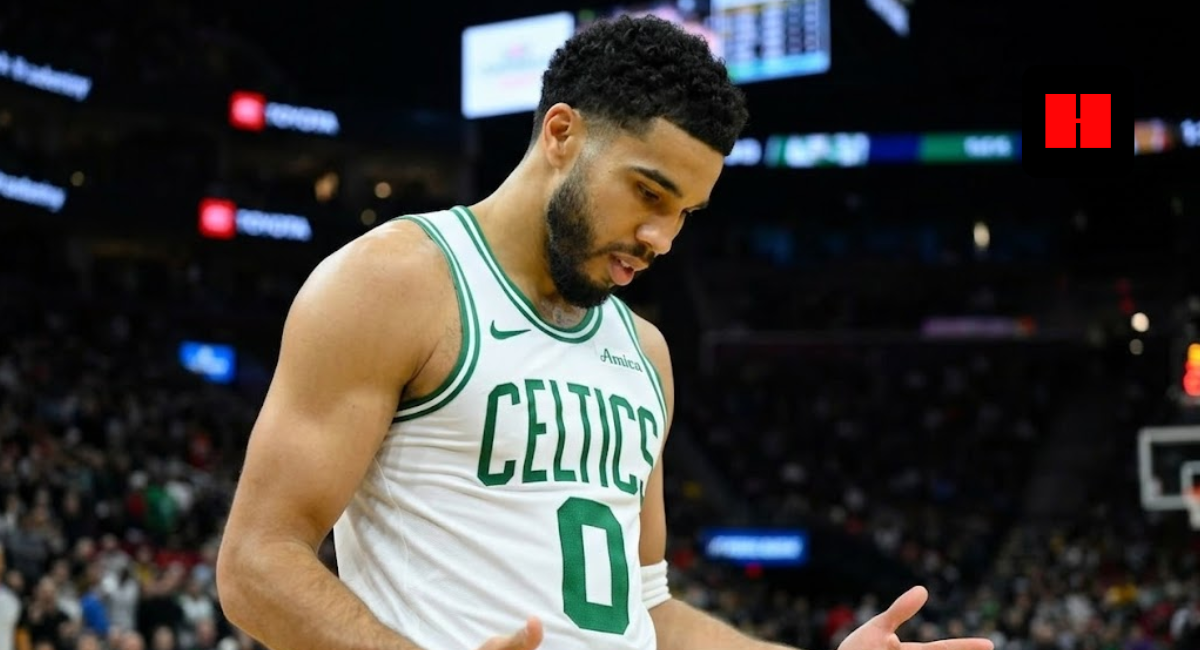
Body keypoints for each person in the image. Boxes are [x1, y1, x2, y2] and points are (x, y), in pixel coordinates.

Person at [215, 14, 995, 650]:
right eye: (648, 193)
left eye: (684, 212)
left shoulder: (646, 354)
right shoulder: (395, 282)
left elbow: (648, 616)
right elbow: (256, 564)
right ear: (561, 134)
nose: (662, 238)